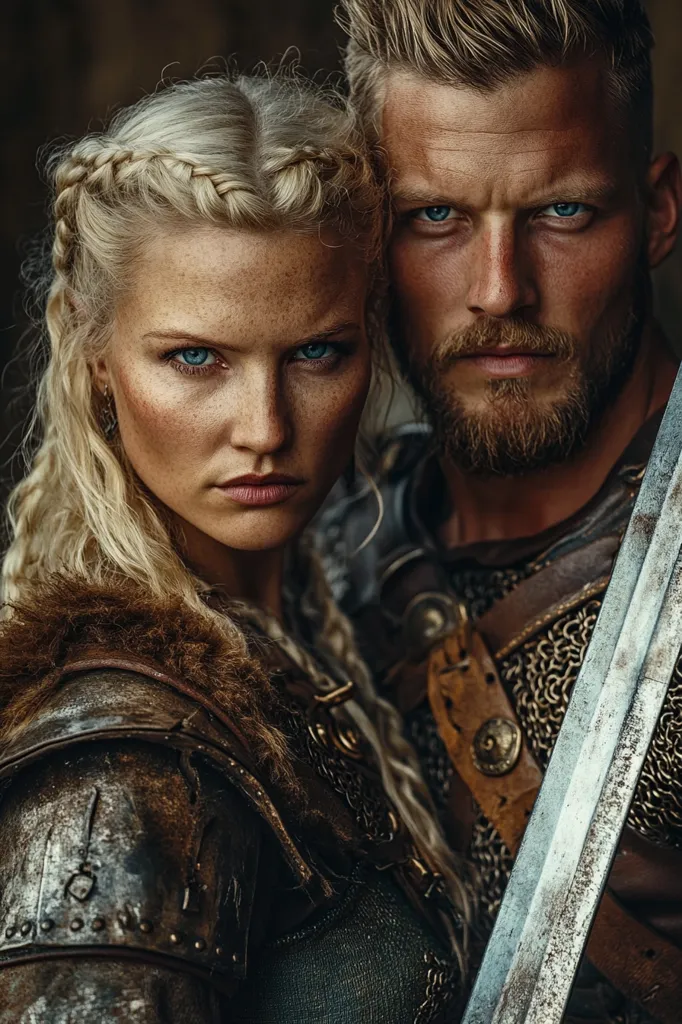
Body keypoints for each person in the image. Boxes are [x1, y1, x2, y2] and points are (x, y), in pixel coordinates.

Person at [0, 73, 469, 1021]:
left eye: (315, 354)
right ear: (96, 360)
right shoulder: (121, 762)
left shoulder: (288, 657)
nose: (263, 427)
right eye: (195, 358)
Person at [317, 1, 682, 1020]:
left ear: (656, 213)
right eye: (433, 217)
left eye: (560, 213)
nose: (497, 290)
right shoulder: (309, 556)